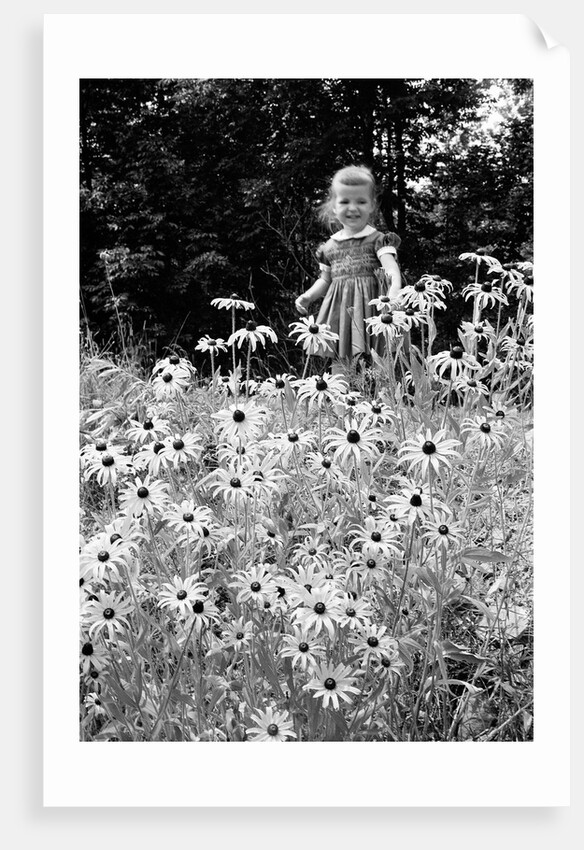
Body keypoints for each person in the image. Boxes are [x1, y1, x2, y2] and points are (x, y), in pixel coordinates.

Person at [295, 165, 402, 370]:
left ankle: (383, 399)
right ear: (334, 206)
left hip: (374, 308)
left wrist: (394, 290)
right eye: (345, 202)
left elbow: (391, 269)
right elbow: (325, 280)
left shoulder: (378, 240)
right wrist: (308, 297)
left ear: (372, 205)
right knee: (340, 359)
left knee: (380, 358)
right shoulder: (329, 247)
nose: (353, 208)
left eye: (361, 201)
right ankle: (341, 400)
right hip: (342, 311)